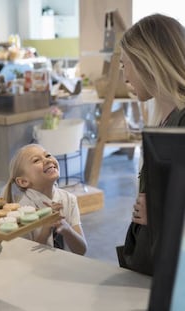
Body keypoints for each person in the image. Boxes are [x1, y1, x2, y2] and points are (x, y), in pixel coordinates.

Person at [117, 13, 185, 275]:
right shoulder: (167, 118)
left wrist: (163, 215)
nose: (125, 77)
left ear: (148, 62)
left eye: (126, 65)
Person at [2, 144, 87, 255]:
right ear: (23, 181)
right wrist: (45, 231)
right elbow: (26, 256)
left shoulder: (69, 200)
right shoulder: (22, 212)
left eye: (48, 155)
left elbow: (81, 250)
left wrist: (66, 229)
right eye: (36, 160)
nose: (47, 160)